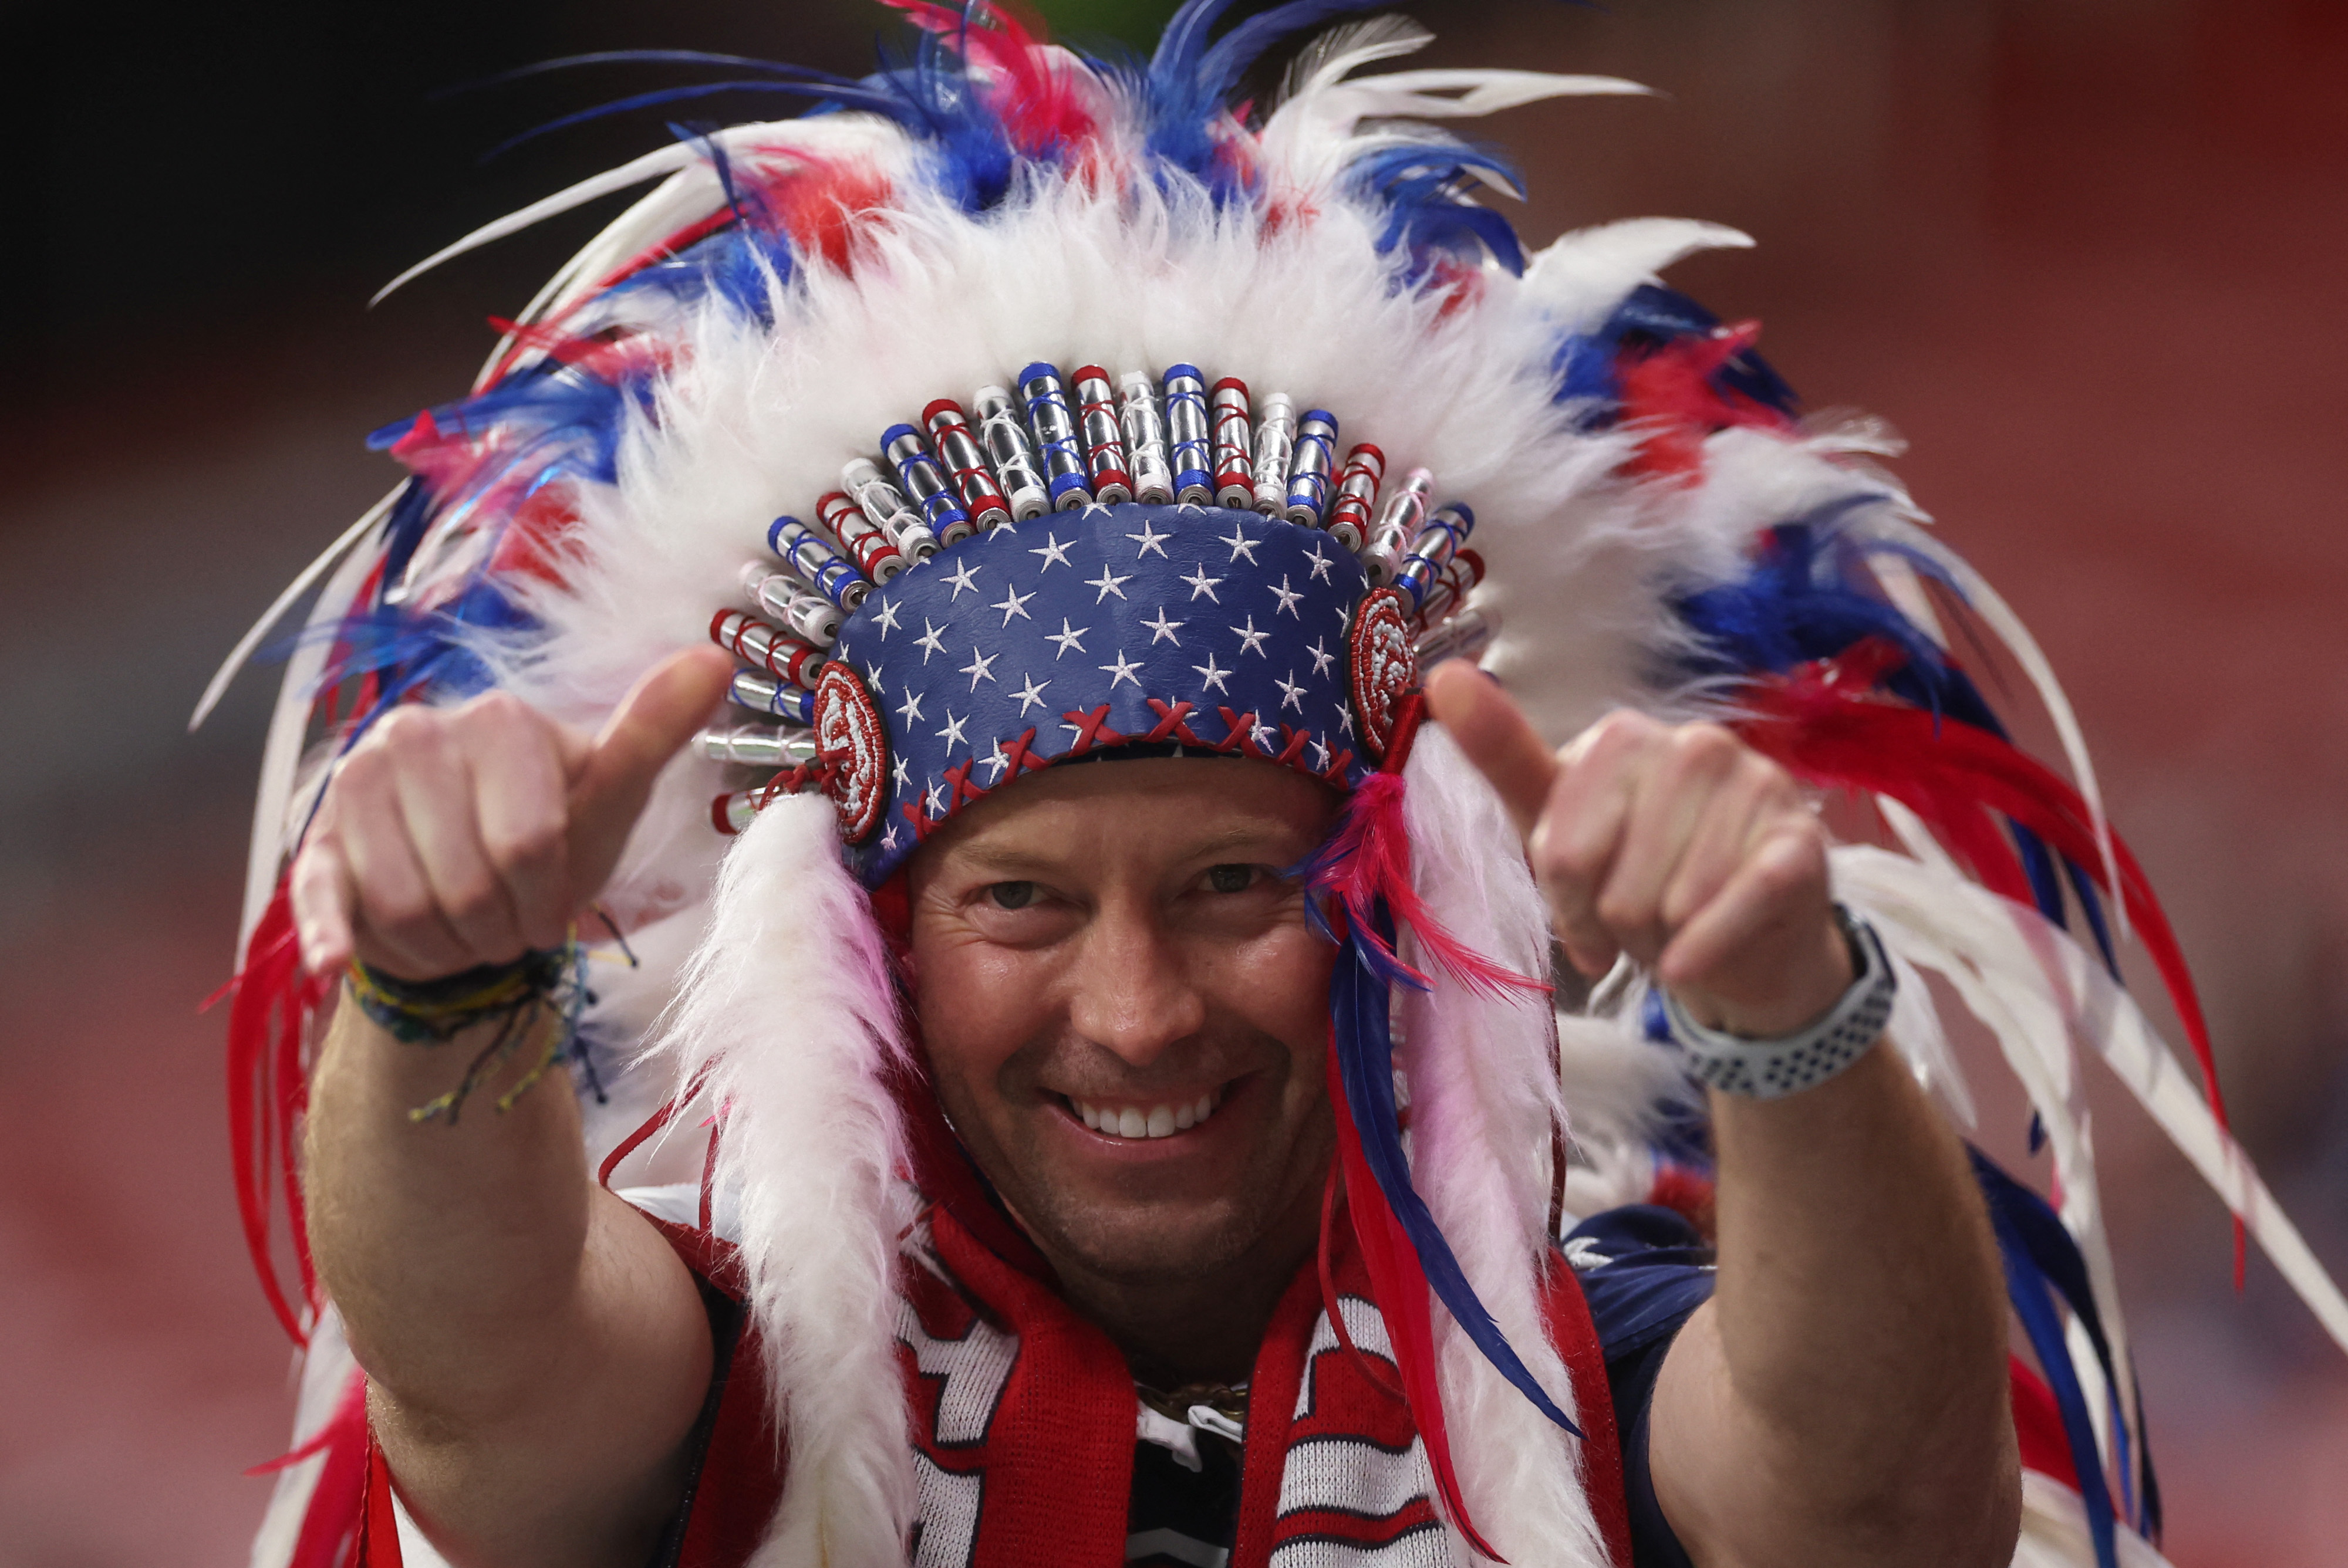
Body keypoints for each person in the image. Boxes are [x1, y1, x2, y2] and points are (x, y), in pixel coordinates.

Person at [213, 5, 2345, 1567]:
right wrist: (442, 998)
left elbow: (1884, 1511)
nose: (1137, 1011)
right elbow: (482, 1387)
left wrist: (1792, 1009)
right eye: (1022, 902)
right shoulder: (747, 1375)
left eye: (1234, 881)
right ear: (862, 934)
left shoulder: (1580, 1333)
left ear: (1398, 885)